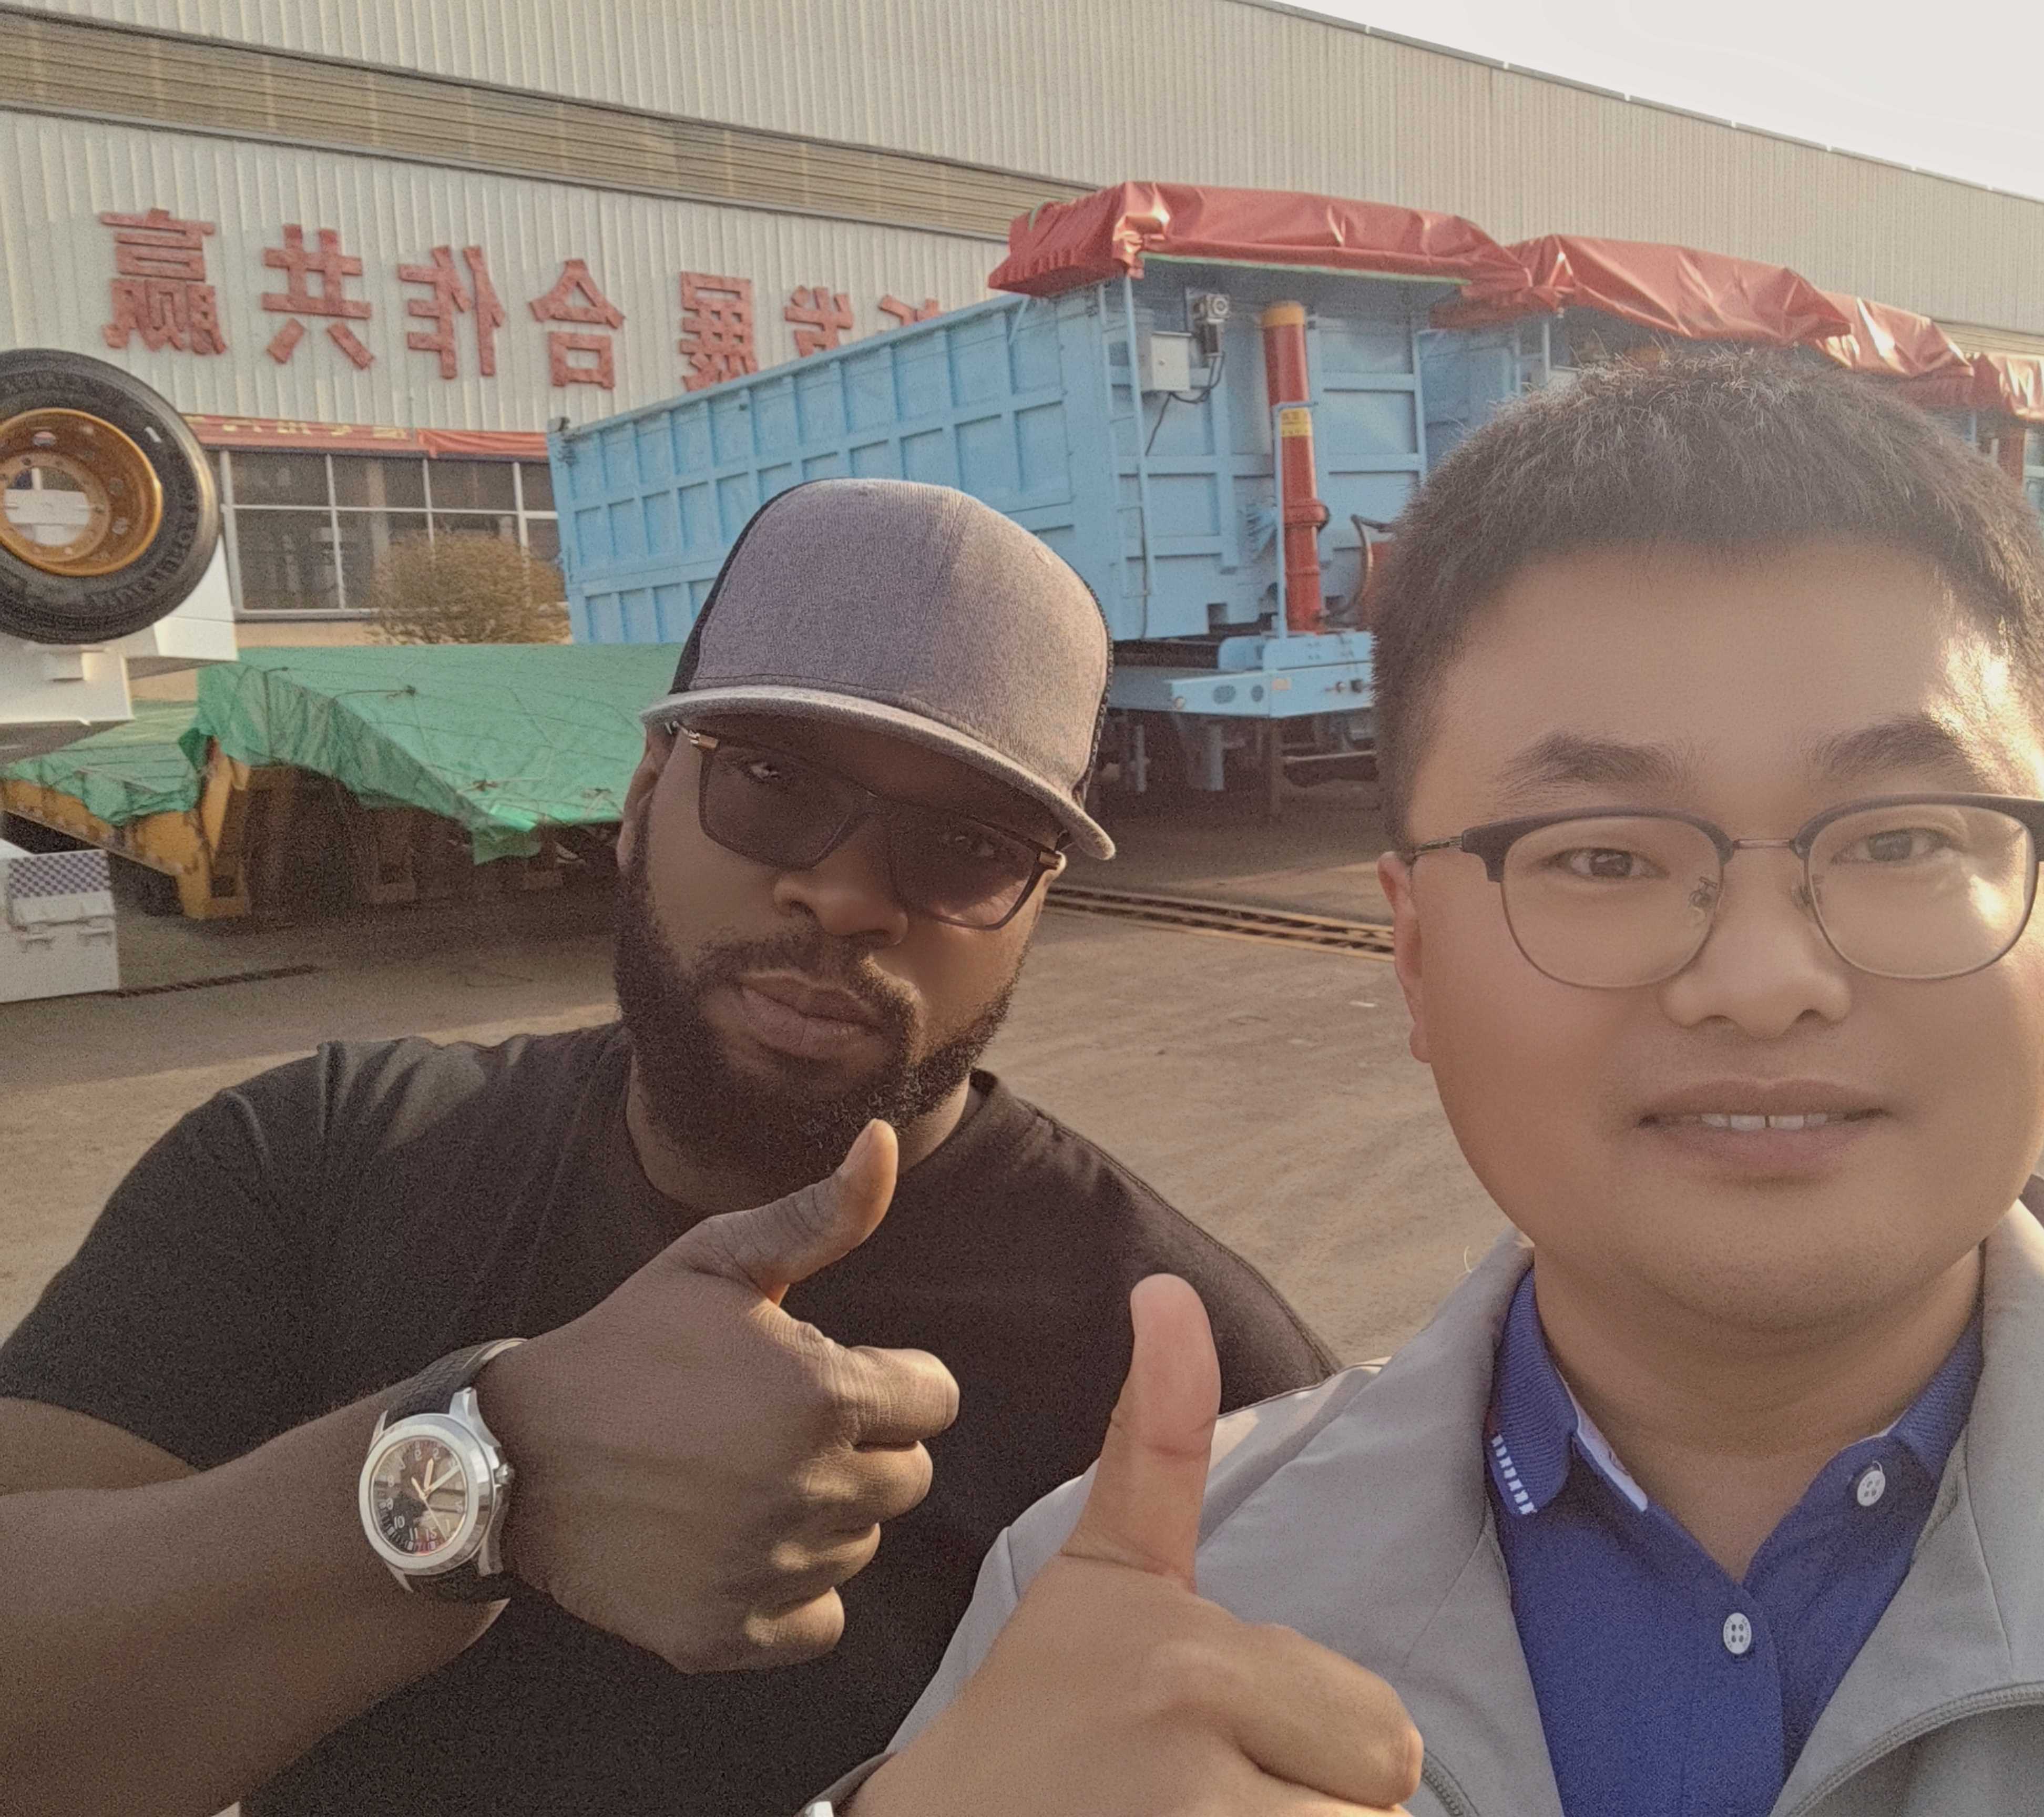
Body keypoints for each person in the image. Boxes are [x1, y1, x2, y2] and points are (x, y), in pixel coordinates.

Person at [830, 354, 2044, 1817]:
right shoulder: (1120, 1624)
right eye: (1600, 854)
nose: (1762, 976)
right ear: (1412, 959)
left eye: (1902, 839)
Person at [0, 478, 1335, 1817]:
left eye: (969, 845)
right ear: (642, 797)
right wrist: (484, 1469)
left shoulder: (1186, 1380)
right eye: (772, 782)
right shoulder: (319, 1160)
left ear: (1039, 907)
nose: (850, 894)